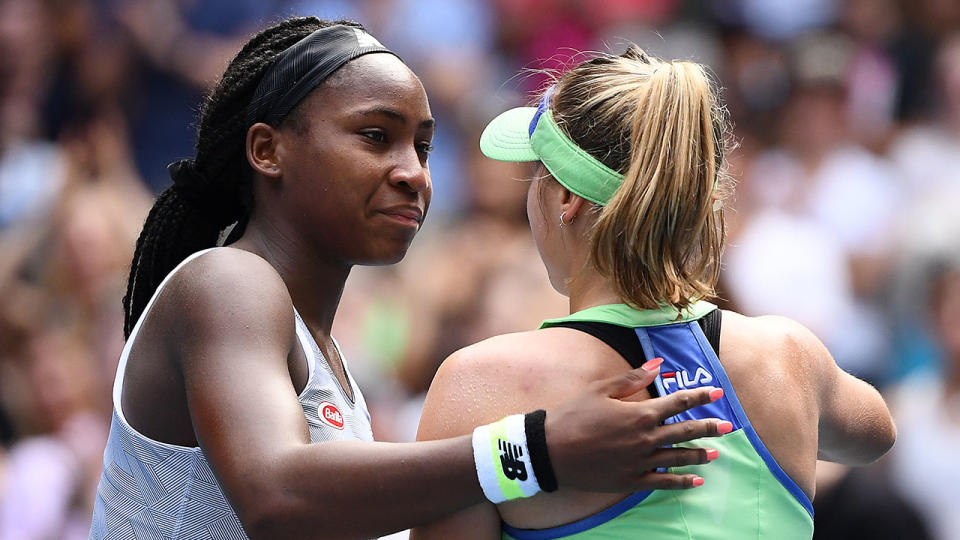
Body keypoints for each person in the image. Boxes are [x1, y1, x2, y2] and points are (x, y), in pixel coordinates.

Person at [89, 18, 734, 540]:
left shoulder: (317, 345)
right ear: (267, 151)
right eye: (375, 136)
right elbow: (278, 498)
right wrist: (537, 449)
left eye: (422, 148)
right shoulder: (226, 282)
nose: (413, 174)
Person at [411, 47, 896, 539]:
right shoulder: (789, 357)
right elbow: (876, 436)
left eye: (536, 172)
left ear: (565, 197)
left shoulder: (479, 384)